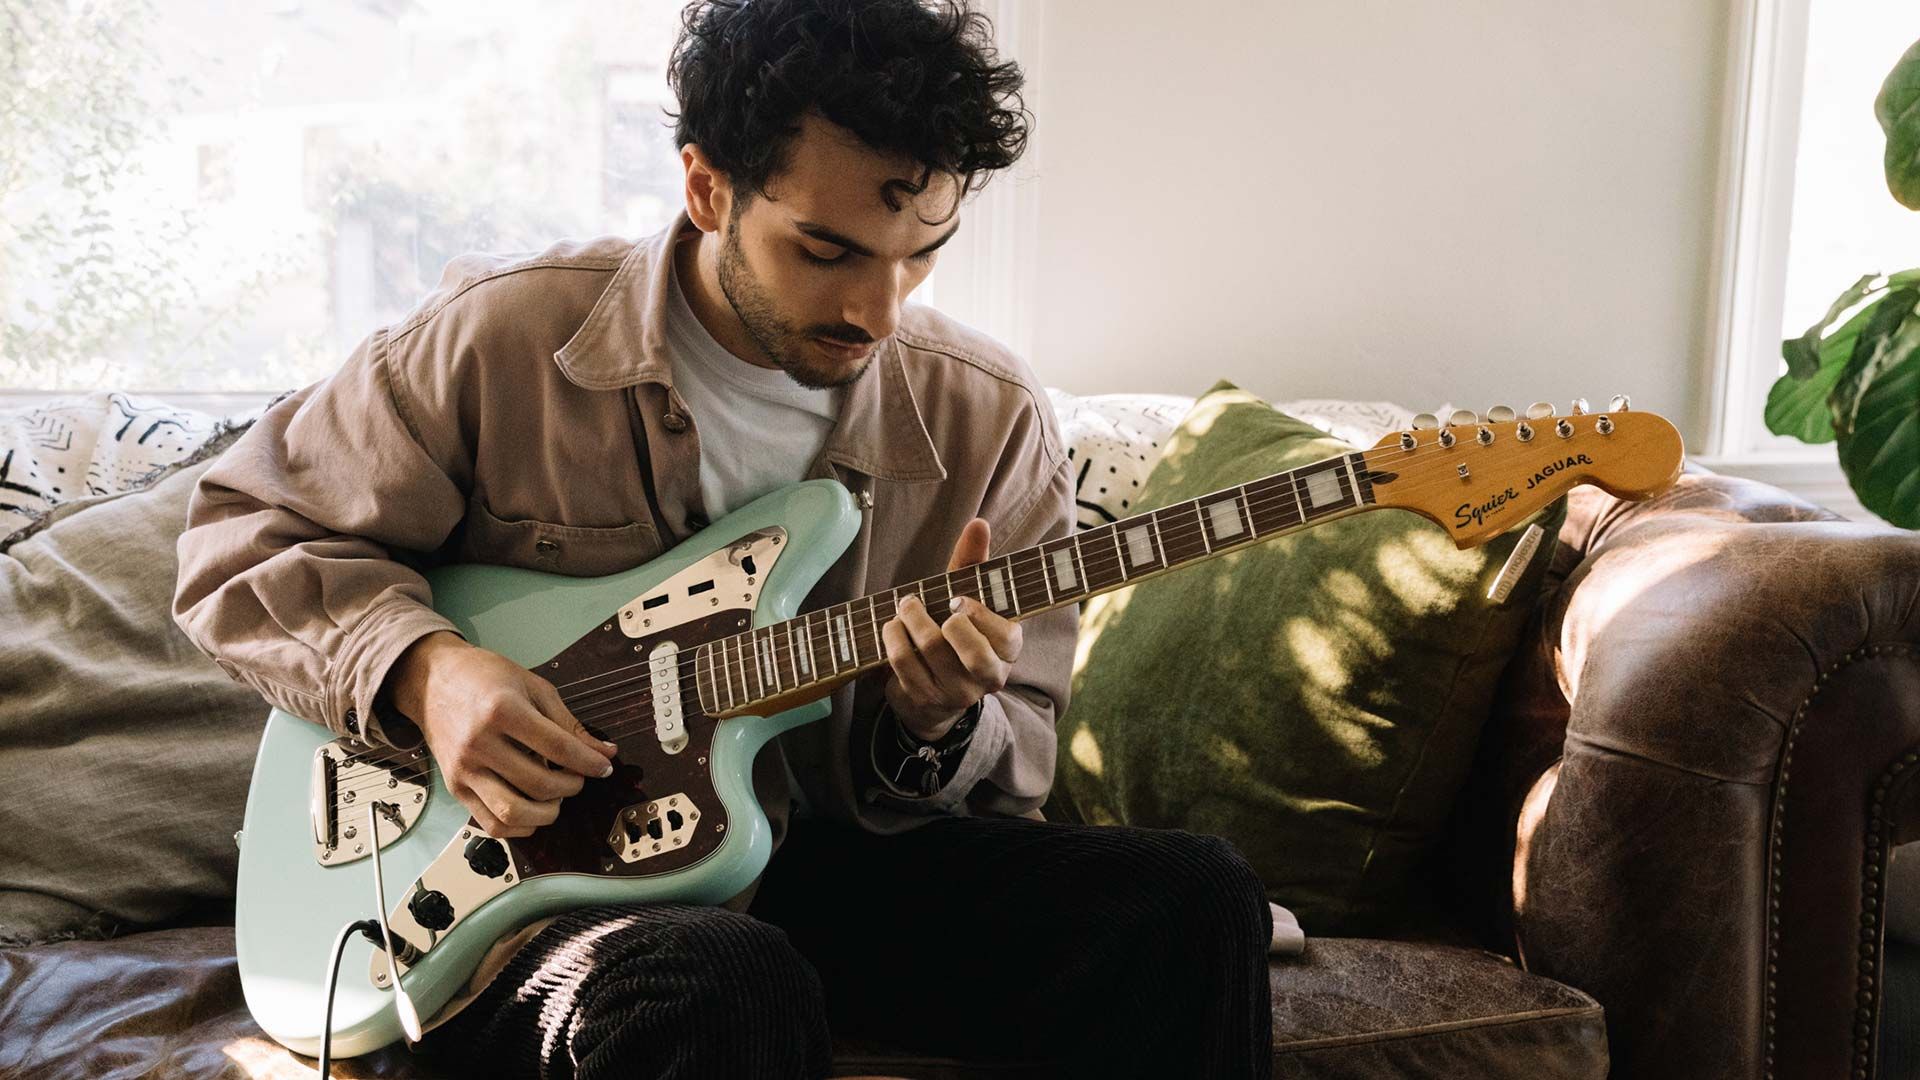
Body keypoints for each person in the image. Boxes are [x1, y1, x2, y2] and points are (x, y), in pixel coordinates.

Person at [172, 1, 1275, 1075]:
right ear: (707, 186)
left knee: (1191, 901)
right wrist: (428, 673)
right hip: (537, 888)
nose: (878, 313)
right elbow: (241, 537)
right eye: (827, 251)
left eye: (919, 256)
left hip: (820, 868)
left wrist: (933, 725)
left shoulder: (984, 415)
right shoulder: (503, 337)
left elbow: (1012, 758)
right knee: (720, 982)